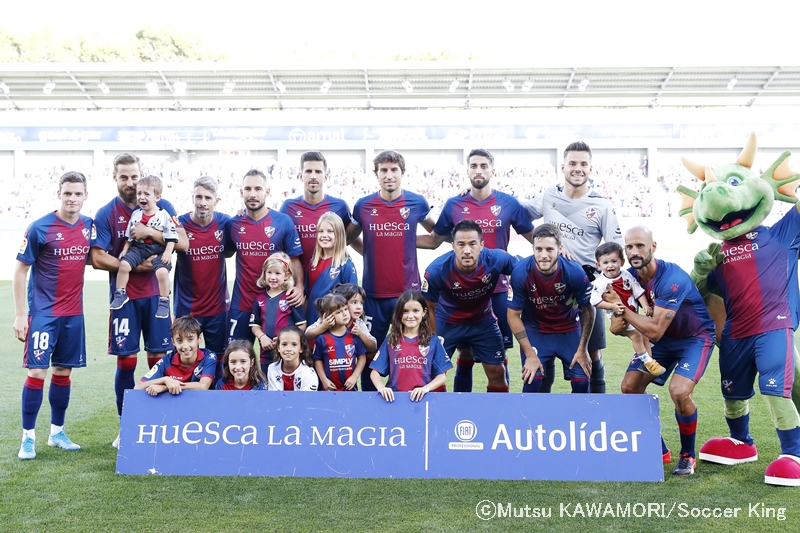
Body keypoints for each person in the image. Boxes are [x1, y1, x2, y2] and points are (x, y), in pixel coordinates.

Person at [90, 153, 188, 448]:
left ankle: (161, 426)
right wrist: (142, 264)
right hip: (126, 300)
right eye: (124, 177)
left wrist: (150, 233)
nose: (131, 183)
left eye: (135, 176)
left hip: (156, 298)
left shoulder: (163, 206)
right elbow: (96, 258)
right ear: (115, 178)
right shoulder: (106, 212)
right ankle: (127, 425)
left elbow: (182, 243)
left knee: (160, 361)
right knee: (126, 362)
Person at [418, 148, 533, 392]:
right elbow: (435, 240)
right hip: (458, 294)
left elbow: (534, 238)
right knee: (464, 356)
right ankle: (460, 408)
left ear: (493, 170)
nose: (478, 170)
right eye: (473, 166)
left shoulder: (509, 203)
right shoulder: (454, 204)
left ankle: (500, 408)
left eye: (483, 166)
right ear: (467, 170)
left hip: (498, 288)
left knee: (498, 358)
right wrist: (396, 238)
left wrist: (558, 250)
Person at [610, 226, 716, 476]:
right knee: (630, 387)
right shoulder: (625, 280)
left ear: (653, 247)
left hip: (694, 338)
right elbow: (616, 328)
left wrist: (626, 312)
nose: (635, 252)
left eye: (640, 246)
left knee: (679, 392)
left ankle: (687, 456)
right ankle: (658, 449)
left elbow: (654, 331)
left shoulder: (672, 279)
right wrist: (619, 312)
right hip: (664, 341)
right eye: (629, 247)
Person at [523, 141, 623, 393]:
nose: (578, 169)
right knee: (545, 351)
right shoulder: (548, 196)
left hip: (585, 290)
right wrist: (545, 245)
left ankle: (597, 410)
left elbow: (614, 252)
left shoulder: (603, 206)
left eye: (583, 164)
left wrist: (602, 283)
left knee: (592, 352)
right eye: (572, 163)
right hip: (546, 289)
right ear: (563, 166)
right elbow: (517, 216)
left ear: (590, 168)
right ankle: (542, 417)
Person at [14, 171, 93, 460]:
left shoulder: (89, 226)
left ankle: (57, 433)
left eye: (77, 193)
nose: (72, 198)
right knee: (37, 371)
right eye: (67, 193)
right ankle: (28, 438)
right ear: (59, 193)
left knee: (63, 372)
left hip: (74, 314)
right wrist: (21, 315)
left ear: (86, 196)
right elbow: (20, 270)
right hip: (44, 314)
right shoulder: (39, 227)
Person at [350, 150, 436, 390]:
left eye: (393, 170)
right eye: (383, 170)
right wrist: (369, 251)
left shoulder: (416, 202)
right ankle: (371, 402)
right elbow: (347, 238)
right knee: (370, 354)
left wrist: (406, 240)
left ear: (402, 172)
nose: (389, 175)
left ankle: (413, 401)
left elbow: (435, 237)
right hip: (373, 296)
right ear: (376, 174)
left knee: (412, 353)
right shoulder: (364, 206)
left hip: (407, 296)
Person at [422, 219, 518, 393]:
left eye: (472, 244)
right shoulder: (436, 269)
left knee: (497, 372)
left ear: (481, 245)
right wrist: (434, 339)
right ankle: (437, 417)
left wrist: (558, 255)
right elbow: (428, 307)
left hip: (483, 322)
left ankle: (497, 417)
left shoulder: (496, 259)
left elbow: (526, 269)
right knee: (431, 374)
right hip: (447, 323)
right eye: (461, 244)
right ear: (453, 246)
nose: (467, 250)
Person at [506, 223, 594, 394]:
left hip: (568, 330)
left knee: (582, 381)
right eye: (538, 249)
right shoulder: (521, 272)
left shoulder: (575, 272)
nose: (543, 255)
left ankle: (576, 419)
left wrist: (583, 348)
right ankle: (530, 420)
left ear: (559, 249)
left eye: (549, 249)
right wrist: (530, 355)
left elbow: (588, 310)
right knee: (532, 379)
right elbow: (513, 315)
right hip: (536, 330)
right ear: (533, 248)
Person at [226, 169, 303, 345]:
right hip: (241, 304)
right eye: (248, 189)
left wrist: (299, 286)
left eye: (258, 189)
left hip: (275, 304)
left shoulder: (282, 221)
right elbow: (227, 253)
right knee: (236, 359)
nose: (252, 194)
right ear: (241, 192)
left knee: (276, 360)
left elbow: (295, 259)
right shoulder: (233, 224)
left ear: (267, 192)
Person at [174, 176, 231, 379]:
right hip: (187, 309)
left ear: (216, 200)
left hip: (218, 308)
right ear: (192, 197)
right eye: (199, 196)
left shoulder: (225, 223)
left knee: (219, 361)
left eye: (208, 197)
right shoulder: (179, 224)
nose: (202, 202)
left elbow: (232, 251)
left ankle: (217, 405)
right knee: (186, 360)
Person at [590, 242, 664, 376]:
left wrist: (646, 305)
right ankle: (647, 361)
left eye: (614, 261)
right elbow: (594, 300)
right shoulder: (599, 283)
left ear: (622, 262)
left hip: (632, 315)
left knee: (644, 335)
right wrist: (611, 306)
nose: (610, 265)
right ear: (598, 265)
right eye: (605, 262)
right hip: (619, 318)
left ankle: (649, 361)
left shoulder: (626, 276)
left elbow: (638, 291)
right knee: (636, 336)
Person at [110, 176, 178, 319]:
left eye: (147, 194)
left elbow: (172, 236)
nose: (142, 197)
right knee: (123, 265)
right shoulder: (136, 214)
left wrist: (168, 252)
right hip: (139, 248)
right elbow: (130, 234)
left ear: (157, 197)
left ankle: (164, 301)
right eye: (139, 193)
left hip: (158, 249)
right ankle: (120, 293)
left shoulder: (163, 215)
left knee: (162, 273)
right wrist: (125, 250)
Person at [279, 151, 355, 273]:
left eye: (318, 171)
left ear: (325, 176)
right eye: (308, 171)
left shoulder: (339, 206)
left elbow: (350, 238)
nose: (313, 176)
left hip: (330, 284)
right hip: (297, 285)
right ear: (300, 176)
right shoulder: (288, 207)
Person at [370, 291, 453, 402]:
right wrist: (381, 387)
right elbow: (374, 372)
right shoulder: (391, 340)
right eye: (405, 311)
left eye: (415, 311)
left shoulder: (433, 341)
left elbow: (442, 376)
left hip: (423, 400)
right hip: (395, 400)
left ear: (424, 312)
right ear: (399, 314)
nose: (410, 316)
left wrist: (425, 389)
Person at [249, 252, 307, 375]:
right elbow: (255, 325)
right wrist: (262, 337)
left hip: (288, 353)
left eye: (277, 273)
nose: (273, 277)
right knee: (269, 384)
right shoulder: (259, 299)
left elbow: (301, 325)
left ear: (287, 275)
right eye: (269, 272)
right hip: (266, 354)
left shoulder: (291, 297)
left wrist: (285, 339)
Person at [135, 316, 216, 395]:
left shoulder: (209, 357)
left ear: (199, 338)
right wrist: (165, 380)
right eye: (179, 340)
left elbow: (203, 386)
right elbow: (138, 387)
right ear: (173, 342)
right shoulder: (166, 361)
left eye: (190, 339)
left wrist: (165, 387)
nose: (185, 346)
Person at [305, 212, 358, 326]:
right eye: (321, 231)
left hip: (335, 327)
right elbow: (307, 298)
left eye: (330, 231)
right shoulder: (312, 264)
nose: (324, 235)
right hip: (313, 324)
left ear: (339, 235)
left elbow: (352, 300)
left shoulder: (346, 265)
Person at [311, 293, 366, 391]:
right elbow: (318, 360)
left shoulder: (354, 335)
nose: (345, 314)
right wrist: (324, 380)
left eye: (345, 309)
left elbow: (362, 358)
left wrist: (354, 377)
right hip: (329, 390)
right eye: (339, 312)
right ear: (328, 316)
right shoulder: (322, 338)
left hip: (350, 390)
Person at [305, 283, 377, 352]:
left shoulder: (358, 323)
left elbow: (373, 347)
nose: (359, 307)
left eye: (361, 303)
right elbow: (307, 336)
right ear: (341, 303)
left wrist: (362, 335)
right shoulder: (328, 320)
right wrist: (323, 327)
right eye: (354, 302)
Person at [267, 326, 319, 391]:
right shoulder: (272, 369)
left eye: (294, 345)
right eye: (284, 344)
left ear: (301, 348)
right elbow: (274, 398)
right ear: (278, 348)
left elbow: (306, 400)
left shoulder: (308, 373)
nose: (288, 349)